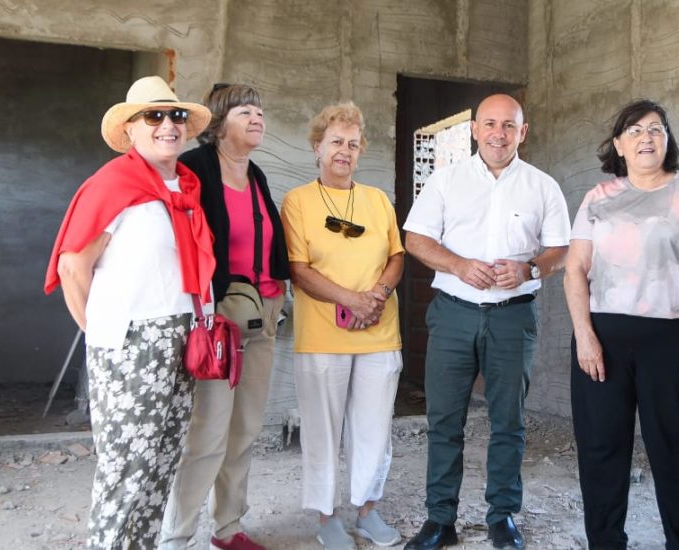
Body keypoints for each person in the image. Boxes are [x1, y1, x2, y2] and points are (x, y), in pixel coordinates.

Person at [43, 75, 214, 549]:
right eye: (153, 116)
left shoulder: (184, 188)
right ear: (132, 130)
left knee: (159, 465)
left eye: (176, 115)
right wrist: (99, 331)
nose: (168, 125)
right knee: (126, 472)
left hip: (179, 338)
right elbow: (73, 265)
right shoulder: (116, 184)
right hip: (132, 344)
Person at [401, 94, 570, 550]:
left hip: (513, 317)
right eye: (490, 124)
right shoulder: (445, 180)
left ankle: (502, 518)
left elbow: (560, 249)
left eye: (508, 126)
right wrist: (457, 264)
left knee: (509, 422)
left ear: (523, 131)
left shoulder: (542, 186)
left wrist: (530, 269)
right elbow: (415, 238)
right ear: (474, 129)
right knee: (444, 421)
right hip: (454, 313)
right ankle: (440, 520)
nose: (499, 133)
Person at [564, 99, 679, 550]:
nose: (646, 138)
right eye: (634, 131)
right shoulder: (597, 199)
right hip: (603, 339)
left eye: (656, 129)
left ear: (668, 140)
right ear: (618, 144)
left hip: (673, 339)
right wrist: (584, 337)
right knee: (601, 452)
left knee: (672, 453)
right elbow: (575, 269)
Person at [161, 83, 289, 550]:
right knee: (210, 431)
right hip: (219, 319)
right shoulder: (194, 168)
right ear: (219, 123)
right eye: (245, 111)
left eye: (260, 110)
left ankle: (228, 528)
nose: (257, 117)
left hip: (263, 314)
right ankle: (176, 535)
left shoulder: (255, 174)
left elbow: (268, 243)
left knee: (246, 427)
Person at [280, 101, 405, 550]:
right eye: (336, 142)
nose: (344, 151)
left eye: (353, 144)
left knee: (374, 426)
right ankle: (328, 517)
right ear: (318, 147)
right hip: (321, 335)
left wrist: (377, 297)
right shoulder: (297, 201)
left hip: (379, 331)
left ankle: (368, 511)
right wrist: (351, 299)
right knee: (322, 428)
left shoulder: (376, 200)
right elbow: (298, 268)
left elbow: (396, 256)